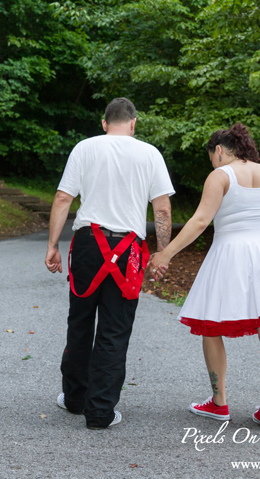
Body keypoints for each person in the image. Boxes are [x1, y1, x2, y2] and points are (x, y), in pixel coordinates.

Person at [149, 123, 260, 431]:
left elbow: (200, 221)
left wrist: (165, 254)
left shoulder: (220, 176)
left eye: (212, 156)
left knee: (211, 325)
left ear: (220, 150)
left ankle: (219, 402)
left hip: (231, 255)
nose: (212, 163)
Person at [45, 97, 175, 430]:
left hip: (89, 245)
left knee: (80, 321)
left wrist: (52, 246)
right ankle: (100, 412)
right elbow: (161, 210)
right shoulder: (150, 154)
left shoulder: (85, 148)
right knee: (114, 330)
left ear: (104, 124)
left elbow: (63, 198)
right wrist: (162, 253)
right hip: (129, 250)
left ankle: (74, 399)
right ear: (134, 123)